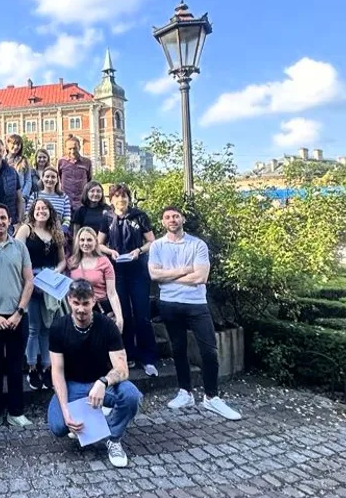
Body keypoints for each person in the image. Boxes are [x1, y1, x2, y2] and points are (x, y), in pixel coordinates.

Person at [148, 206, 242, 420]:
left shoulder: (197, 244)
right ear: (163, 222)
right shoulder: (157, 246)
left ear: (183, 219)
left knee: (209, 351)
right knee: (178, 349)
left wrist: (168, 276)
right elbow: (154, 275)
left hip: (196, 304)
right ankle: (185, 392)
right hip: (169, 304)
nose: (172, 220)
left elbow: (200, 277)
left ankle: (212, 397)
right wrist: (185, 270)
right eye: (167, 217)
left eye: (175, 216)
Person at [47, 279, 142, 468]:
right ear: (69, 301)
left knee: (132, 395)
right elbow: (57, 372)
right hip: (72, 384)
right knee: (58, 426)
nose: (81, 309)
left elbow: (122, 369)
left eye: (85, 303)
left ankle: (113, 438)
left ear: (93, 300)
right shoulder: (58, 328)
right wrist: (66, 411)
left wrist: (103, 382)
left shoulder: (107, 326)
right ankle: (90, 418)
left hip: (101, 384)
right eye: (76, 303)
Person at [0, 204, 35, 429]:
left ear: (9, 220)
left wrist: (19, 312)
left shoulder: (20, 247)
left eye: (3, 217)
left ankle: (16, 411)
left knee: (14, 366)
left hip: (18, 316)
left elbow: (29, 281)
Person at [98, 183, 159, 376]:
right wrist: (111, 252)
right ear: (112, 199)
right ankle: (128, 355)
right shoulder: (107, 217)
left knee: (142, 314)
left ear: (128, 198)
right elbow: (99, 245)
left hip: (138, 270)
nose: (121, 200)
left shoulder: (139, 215)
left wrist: (139, 251)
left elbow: (152, 241)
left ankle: (148, 358)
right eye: (117, 196)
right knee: (123, 314)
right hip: (117, 271)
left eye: (124, 196)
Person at [14, 199, 66, 391]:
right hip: (32, 283)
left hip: (50, 285)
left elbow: (62, 261)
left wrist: (56, 274)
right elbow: (16, 255)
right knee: (34, 327)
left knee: (48, 327)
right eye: (38, 208)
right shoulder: (26, 230)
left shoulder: (55, 232)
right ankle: (31, 367)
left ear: (50, 211)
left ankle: (46, 366)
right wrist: (29, 279)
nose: (41, 211)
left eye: (45, 208)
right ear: (33, 211)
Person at [68, 226, 124, 332]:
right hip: (78, 310)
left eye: (89, 240)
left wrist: (119, 318)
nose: (85, 243)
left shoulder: (104, 262)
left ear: (95, 242)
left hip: (100, 309)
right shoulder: (72, 262)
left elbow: (112, 293)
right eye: (82, 240)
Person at [26, 166, 72, 233]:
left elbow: (67, 218)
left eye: (53, 177)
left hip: (57, 233)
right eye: (47, 176)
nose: (50, 179)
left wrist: (63, 229)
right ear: (42, 178)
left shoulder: (64, 197)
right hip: (37, 233)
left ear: (57, 180)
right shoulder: (35, 196)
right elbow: (27, 215)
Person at [58, 135, 93, 211]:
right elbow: (59, 179)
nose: (72, 151)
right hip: (66, 203)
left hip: (82, 203)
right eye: (69, 149)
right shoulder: (61, 162)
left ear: (79, 147)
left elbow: (89, 181)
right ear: (65, 149)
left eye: (75, 148)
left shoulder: (87, 162)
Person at [6, 134, 33, 199]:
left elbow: (28, 181)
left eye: (18, 145)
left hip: (20, 197)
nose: (15, 147)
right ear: (8, 144)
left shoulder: (24, 161)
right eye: (13, 143)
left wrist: (23, 196)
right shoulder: (2, 160)